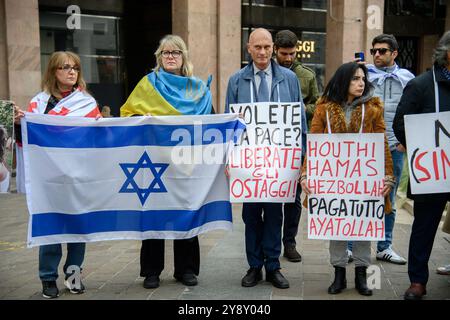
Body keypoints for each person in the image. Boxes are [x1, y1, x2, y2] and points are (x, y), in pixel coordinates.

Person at [121, 34, 213, 289]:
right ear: (159, 58)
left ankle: (186, 269)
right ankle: (152, 271)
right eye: (166, 53)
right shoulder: (147, 84)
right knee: (154, 214)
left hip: (187, 161)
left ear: (184, 57)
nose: (170, 57)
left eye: (176, 52)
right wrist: (142, 116)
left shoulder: (198, 89)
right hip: (154, 162)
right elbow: (127, 114)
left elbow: (210, 123)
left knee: (187, 211)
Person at [301, 62, 394, 296]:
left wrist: (388, 177)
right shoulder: (324, 109)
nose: (361, 82)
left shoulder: (373, 109)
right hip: (334, 182)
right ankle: (339, 275)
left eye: (363, 78)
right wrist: (306, 174)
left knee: (365, 226)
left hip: (365, 181)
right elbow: (314, 143)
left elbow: (381, 142)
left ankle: (363, 276)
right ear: (343, 81)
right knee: (336, 226)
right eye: (355, 78)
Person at [13, 51, 101, 299]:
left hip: (78, 176)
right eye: (65, 67)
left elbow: (98, 138)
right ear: (54, 72)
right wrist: (21, 124)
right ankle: (48, 278)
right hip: (48, 179)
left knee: (78, 227)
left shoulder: (87, 103)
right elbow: (26, 142)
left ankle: (74, 275)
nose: (71, 72)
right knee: (50, 227)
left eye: (75, 68)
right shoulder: (38, 104)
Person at [225, 28, 307, 289]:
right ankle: (254, 266)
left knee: (274, 213)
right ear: (248, 48)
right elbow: (230, 122)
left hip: (280, 161)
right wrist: (229, 158)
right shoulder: (236, 80)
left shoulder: (289, 78)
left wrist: (302, 158)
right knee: (251, 214)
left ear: (273, 48)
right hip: (249, 163)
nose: (262, 52)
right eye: (257, 47)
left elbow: (300, 121)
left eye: (266, 47)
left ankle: (273, 265)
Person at [393, 30, 450, 300]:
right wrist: (419, 150)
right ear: (448, 53)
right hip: (433, 171)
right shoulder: (421, 85)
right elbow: (400, 123)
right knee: (424, 226)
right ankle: (417, 281)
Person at [348, 34, 414, 265]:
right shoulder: (362, 74)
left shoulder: (408, 78)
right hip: (365, 146)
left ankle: (384, 246)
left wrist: (406, 140)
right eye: (374, 50)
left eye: (382, 51)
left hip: (394, 146)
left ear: (394, 53)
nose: (377, 54)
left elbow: (414, 110)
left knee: (389, 198)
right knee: (357, 195)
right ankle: (349, 246)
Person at [273, 29, 319, 263]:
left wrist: (300, 109)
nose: (288, 58)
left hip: (296, 143)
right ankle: (270, 243)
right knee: (270, 198)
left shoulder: (307, 75)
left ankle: (289, 243)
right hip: (271, 144)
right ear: (275, 50)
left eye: (292, 53)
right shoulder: (267, 73)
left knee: (293, 198)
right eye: (284, 53)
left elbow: (317, 105)